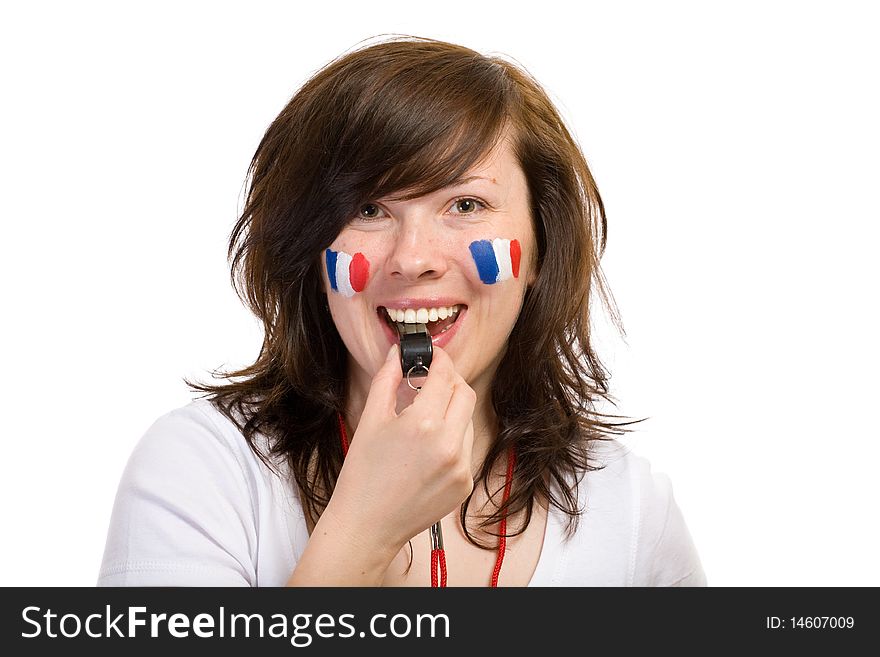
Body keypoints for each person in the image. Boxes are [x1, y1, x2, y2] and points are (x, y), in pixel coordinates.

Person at [98, 36, 706, 587]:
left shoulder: (631, 514)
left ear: (543, 247)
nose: (412, 259)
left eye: (466, 204)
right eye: (368, 209)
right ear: (312, 248)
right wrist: (365, 527)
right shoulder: (201, 472)